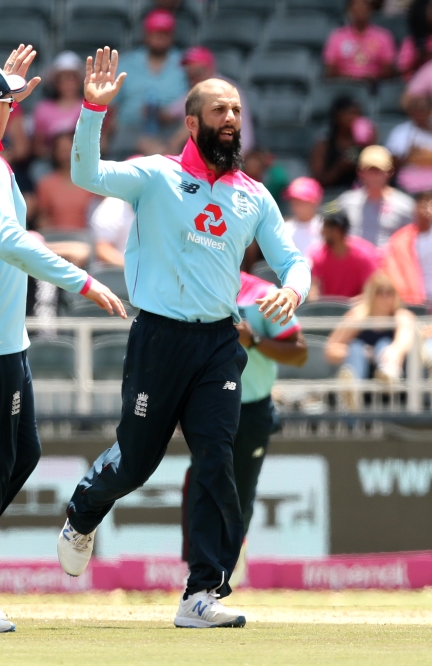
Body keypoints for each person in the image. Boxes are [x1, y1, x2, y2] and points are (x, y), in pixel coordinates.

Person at [59, 48, 310, 629]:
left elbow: (293, 258)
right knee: (136, 464)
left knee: (215, 462)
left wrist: (293, 290)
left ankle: (202, 593)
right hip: (158, 339)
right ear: (192, 123)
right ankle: (82, 511)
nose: (231, 118)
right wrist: (93, 110)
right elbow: (85, 175)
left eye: (237, 110)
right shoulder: (155, 175)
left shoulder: (253, 194)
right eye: (219, 109)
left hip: (219, 344)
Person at [0, 51, 125, 633]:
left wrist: (1, 98)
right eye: (8, 104)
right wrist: (80, 279)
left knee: (18, 455)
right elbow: (8, 239)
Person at [180, 271, 307, 588]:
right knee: (201, 484)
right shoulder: (192, 286)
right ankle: (201, 573)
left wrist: (255, 341)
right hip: (206, 407)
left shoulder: (263, 295)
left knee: (240, 492)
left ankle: (227, 560)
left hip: (251, 409)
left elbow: (300, 352)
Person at [113, 10, 188, 156]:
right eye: (155, 32)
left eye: (164, 33)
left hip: (171, 130)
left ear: (172, 36)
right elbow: (113, 104)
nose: (159, 38)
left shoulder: (184, 63)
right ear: (146, 35)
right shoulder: (127, 63)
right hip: (130, 128)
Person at [325, 271, 417, 387]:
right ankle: (350, 390)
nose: (385, 297)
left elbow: (404, 339)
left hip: (389, 369)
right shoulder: (358, 317)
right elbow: (330, 350)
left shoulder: (401, 316)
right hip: (360, 371)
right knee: (356, 347)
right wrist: (360, 353)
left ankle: (388, 377)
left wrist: (395, 350)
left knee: (384, 344)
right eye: (379, 292)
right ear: (370, 294)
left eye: (389, 292)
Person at [163, 46, 253, 156]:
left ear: (210, 69)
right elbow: (169, 113)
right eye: (190, 75)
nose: (193, 78)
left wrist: (172, 145)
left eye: (197, 72)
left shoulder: (222, 88)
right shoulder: (198, 88)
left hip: (233, 151)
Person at [383, 189, 432, 306]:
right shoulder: (403, 239)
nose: (428, 208)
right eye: (424, 203)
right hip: (419, 300)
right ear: (415, 208)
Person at [334, 146, 415, 247]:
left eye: (378, 171)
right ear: (360, 172)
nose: (373, 176)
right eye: (369, 170)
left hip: (387, 261)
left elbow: (413, 239)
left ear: (389, 172)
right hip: (356, 261)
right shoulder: (345, 201)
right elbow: (328, 222)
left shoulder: (406, 205)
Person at [308, 208, 380, 300]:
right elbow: (314, 289)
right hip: (326, 311)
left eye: (325, 227)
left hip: (358, 311)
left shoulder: (364, 255)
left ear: (337, 231)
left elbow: (371, 292)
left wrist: (347, 307)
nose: (322, 232)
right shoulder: (318, 256)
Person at [35, 131, 99, 232]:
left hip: (87, 240)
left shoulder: (91, 182)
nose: (65, 153)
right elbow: (43, 217)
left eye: (68, 149)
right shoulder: (46, 184)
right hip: (57, 241)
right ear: (54, 152)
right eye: (61, 150)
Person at [323, 0, 397, 81]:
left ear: (370, 10)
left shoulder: (383, 36)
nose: (360, 10)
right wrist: (346, 77)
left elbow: (388, 70)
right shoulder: (337, 36)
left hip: (374, 86)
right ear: (349, 11)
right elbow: (330, 69)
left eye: (364, 7)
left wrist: (372, 76)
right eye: (357, 7)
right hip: (343, 85)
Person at [309, 95, 372, 189]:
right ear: (337, 116)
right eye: (350, 113)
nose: (355, 118)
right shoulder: (323, 146)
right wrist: (340, 167)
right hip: (330, 199)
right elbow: (318, 182)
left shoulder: (364, 144)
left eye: (358, 114)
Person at [32, 51, 85, 159]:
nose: (68, 83)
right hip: (50, 163)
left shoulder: (89, 106)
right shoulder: (43, 109)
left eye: (72, 78)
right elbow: (37, 147)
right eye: (63, 78)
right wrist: (59, 154)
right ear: (55, 82)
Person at [398, 0, 432, 78]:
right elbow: (401, 69)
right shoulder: (410, 42)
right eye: (431, 9)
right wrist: (418, 57)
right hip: (414, 82)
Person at [282, 177, 324, 257]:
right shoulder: (284, 229)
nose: (296, 205)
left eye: (301, 201)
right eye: (293, 201)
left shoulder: (326, 228)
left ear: (314, 202)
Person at [90, 196, 135, 268]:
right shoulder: (111, 207)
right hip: (121, 273)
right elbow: (103, 249)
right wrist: (133, 268)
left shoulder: (155, 204)